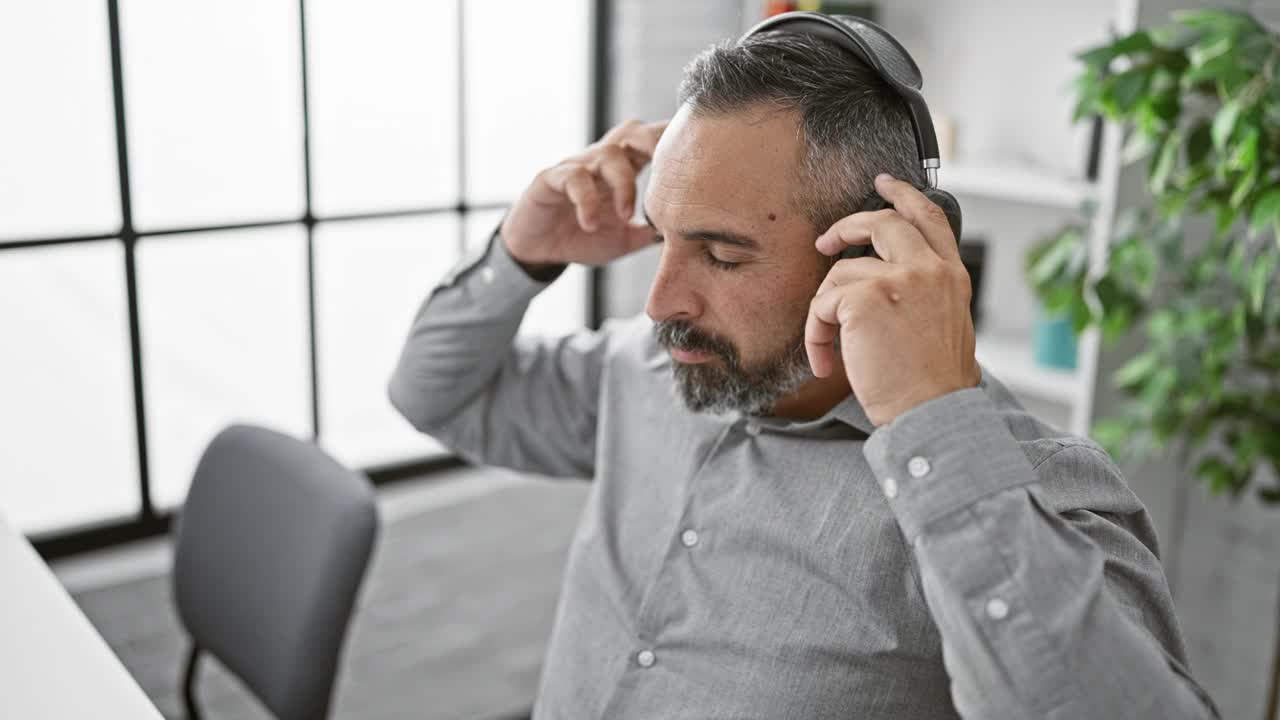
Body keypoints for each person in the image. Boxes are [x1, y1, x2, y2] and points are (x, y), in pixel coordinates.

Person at [389, 27, 1218, 720]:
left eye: (720, 254)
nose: (660, 302)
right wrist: (519, 254)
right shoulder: (651, 366)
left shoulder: (1028, 488)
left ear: (864, 249)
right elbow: (435, 394)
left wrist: (930, 418)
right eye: (663, 237)